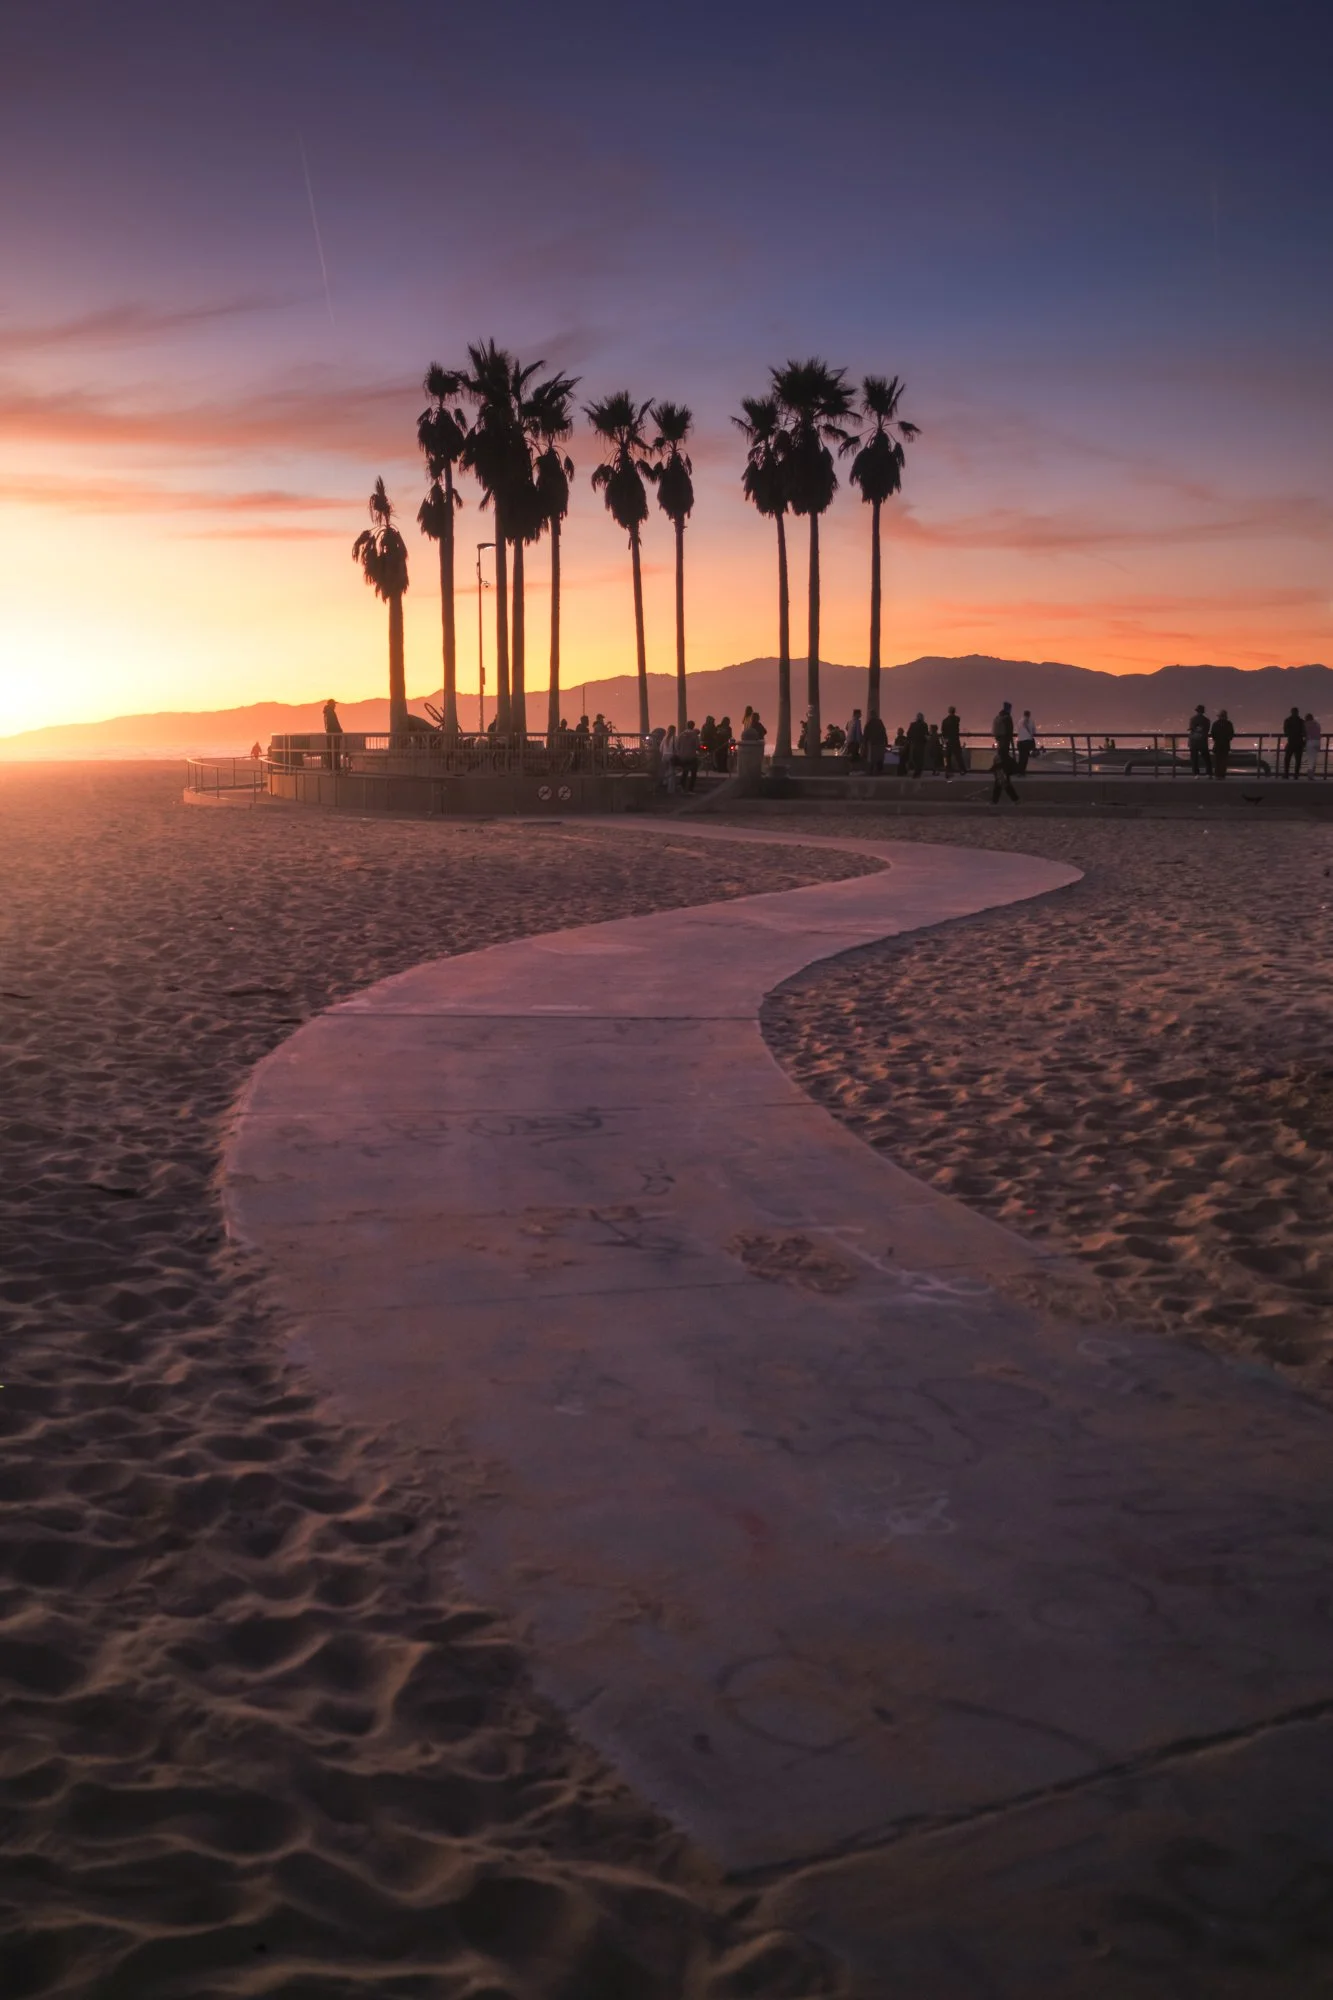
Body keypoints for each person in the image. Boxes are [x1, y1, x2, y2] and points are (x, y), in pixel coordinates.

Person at [940, 705, 966, 779]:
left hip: (947, 740)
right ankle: (962, 770)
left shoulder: (945, 720)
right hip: (955, 740)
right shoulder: (957, 719)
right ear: (954, 711)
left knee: (947, 757)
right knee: (958, 756)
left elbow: (943, 731)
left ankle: (948, 771)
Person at [676, 718, 701, 792]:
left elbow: (677, 746)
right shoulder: (694, 734)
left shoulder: (681, 734)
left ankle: (682, 787)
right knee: (693, 773)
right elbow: (697, 746)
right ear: (693, 726)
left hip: (683, 756)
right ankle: (690, 789)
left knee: (685, 772)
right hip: (691, 756)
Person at [1187, 704, 1212, 777]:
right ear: (1203, 711)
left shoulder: (1192, 719)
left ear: (1197, 711)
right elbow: (1207, 730)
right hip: (1203, 741)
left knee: (1194, 759)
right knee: (1207, 758)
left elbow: (1191, 729)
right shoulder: (1206, 720)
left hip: (1194, 741)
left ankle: (1196, 774)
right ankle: (1209, 773)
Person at [1282, 706, 1306, 778]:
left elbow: (1285, 733)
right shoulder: (1301, 721)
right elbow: (1304, 733)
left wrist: (1291, 733)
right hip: (1299, 743)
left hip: (1291, 742)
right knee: (1298, 760)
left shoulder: (1287, 720)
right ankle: (1296, 775)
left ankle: (1286, 774)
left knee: (1287, 759)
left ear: (1291, 712)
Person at [1211, 707, 1235, 779]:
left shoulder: (1215, 723)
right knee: (1224, 761)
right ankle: (1222, 774)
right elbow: (1231, 734)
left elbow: (1213, 734)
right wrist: (1227, 739)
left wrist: (1217, 740)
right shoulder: (1229, 724)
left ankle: (1217, 775)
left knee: (1217, 760)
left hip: (1217, 745)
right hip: (1225, 745)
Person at [863, 709, 888, 775]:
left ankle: (871, 771)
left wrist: (864, 744)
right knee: (879, 758)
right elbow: (884, 732)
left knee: (873, 758)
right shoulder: (879, 722)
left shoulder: (869, 723)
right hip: (879, 743)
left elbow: (866, 735)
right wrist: (886, 742)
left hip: (873, 743)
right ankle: (878, 771)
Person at [322, 697, 343, 771]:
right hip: (334, 735)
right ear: (331, 704)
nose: (335, 706)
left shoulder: (326, 713)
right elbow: (334, 724)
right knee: (335, 751)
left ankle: (332, 766)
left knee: (331, 751)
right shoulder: (331, 712)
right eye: (334, 704)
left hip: (330, 735)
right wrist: (339, 731)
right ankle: (335, 766)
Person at [906, 710, 929, 778]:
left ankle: (917, 772)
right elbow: (926, 735)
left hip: (915, 743)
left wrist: (910, 740)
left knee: (915, 758)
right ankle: (918, 772)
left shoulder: (913, 724)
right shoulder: (924, 725)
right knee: (919, 758)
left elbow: (908, 734)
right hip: (920, 744)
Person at [1016, 708, 1038, 774]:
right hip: (1027, 741)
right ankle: (1022, 771)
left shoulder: (1019, 721)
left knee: (1021, 757)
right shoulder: (1031, 721)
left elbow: (1018, 731)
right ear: (1029, 715)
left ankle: (1019, 771)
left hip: (1020, 741)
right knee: (1025, 757)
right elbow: (1034, 732)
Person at [660, 722, 678, 791]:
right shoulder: (675, 738)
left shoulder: (664, 738)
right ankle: (670, 789)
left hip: (664, 756)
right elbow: (676, 748)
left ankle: (665, 783)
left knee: (666, 771)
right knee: (671, 772)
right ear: (674, 731)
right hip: (671, 756)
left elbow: (660, 749)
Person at [1304, 713, 1322, 778]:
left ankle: (1310, 775)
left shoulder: (1306, 724)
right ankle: (1312, 774)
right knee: (1314, 759)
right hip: (1317, 742)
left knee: (1310, 759)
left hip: (1310, 742)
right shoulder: (1317, 724)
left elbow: (1305, 733)